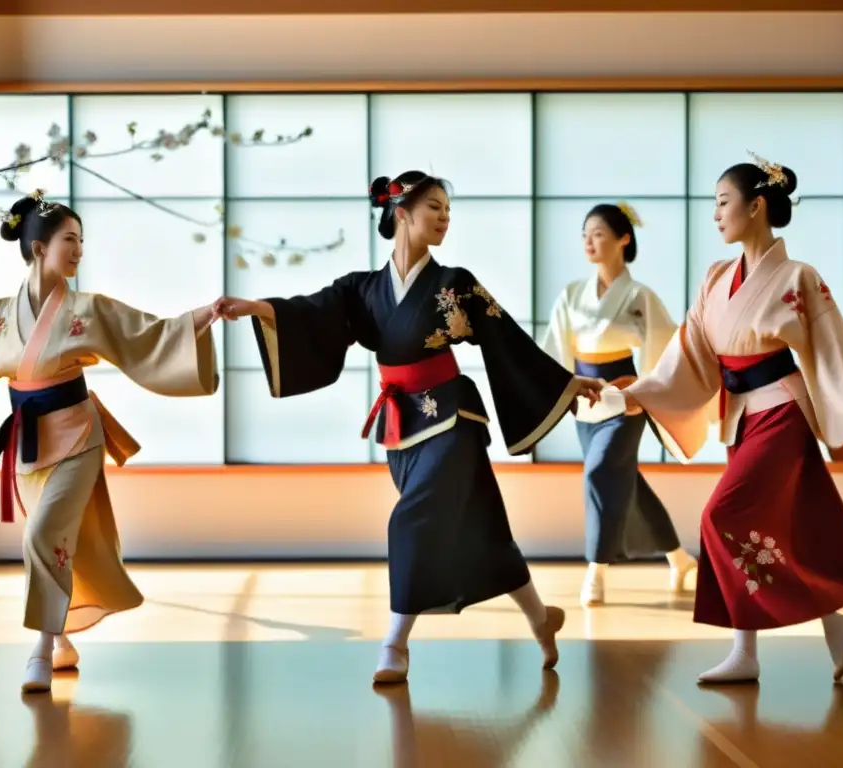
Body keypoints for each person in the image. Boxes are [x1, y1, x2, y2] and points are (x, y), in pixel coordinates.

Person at [213, 171, 605, 684]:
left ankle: (395, 644)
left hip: (452, 418)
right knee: (487, 534)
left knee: (410, 520)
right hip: (401, 424)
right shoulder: (363, 289)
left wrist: (564, 383)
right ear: (402, 213)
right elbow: (312, 313)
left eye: (448, 210)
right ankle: (541, 618)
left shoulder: (454, 284)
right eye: (434, 208)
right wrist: (254, 308)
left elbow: (505, 337)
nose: (444, 218)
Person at [0, 193, 220, 694]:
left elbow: (148, 335)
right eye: (69, 240)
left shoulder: (87, 309)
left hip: (77, 436)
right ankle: (65, 640)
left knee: (41, 536)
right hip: (27, 448)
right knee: (54, 543)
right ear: (37, 248)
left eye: (81, 242)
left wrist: (203, 316)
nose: (78, 251)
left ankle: (41, 649)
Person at [617, 154, 843, 684]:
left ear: (756, 206)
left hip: (783, 410)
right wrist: (641, 393)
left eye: (722, 202)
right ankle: (771, 642)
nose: (715, 214)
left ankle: (801, 626)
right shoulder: (716, 278)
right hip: (741, 417)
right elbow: (689, 354)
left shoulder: (797, 277)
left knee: (721, 517)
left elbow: (832, 345)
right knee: (774, 528)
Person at [541, 202, 696, 607]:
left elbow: (666, 350)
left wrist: (641, 388)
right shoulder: (572, 294)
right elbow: (555, 347)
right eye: (585, 235)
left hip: (626, 397)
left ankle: (597, 568)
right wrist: (565, 390)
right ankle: (679, 558)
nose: (589, 242)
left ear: (623, 239)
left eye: (598, 234)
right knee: (624, 479)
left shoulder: (640, 295)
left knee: (599, 472)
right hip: (586, 398)